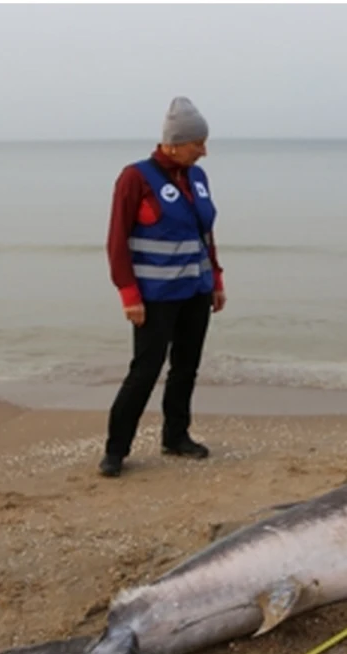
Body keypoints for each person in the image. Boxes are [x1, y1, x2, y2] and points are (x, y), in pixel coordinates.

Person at [98, 97, 226, 478]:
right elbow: (117, 241)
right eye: (197, 143)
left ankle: (176, 437)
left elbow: (205, 232)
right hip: (154, 298)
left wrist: (216, 279)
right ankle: (115, 451)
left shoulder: (197, 178)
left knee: (186, 367)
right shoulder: (135, 178)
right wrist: (128, 294)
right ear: (173, 142)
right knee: (145, 371)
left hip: (196, 291)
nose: (204, 151)